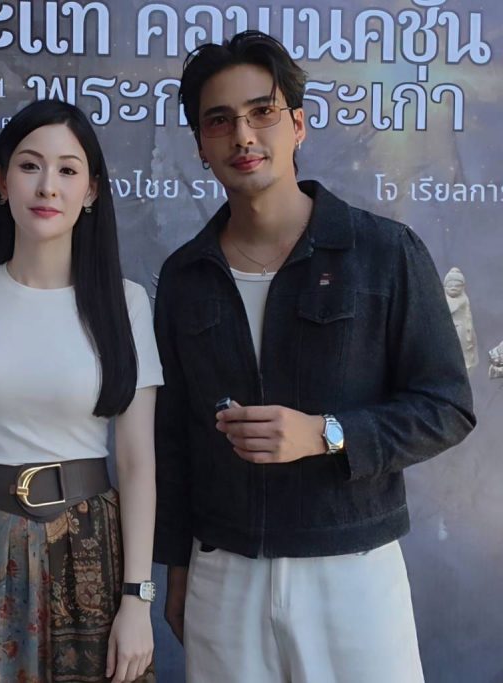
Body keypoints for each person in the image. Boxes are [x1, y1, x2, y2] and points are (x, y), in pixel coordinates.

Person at [153, 30, 475, 682]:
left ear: (297, 125)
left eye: (262, 112)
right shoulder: (185, 277)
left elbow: (446, 407)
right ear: (201, 147)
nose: (244, 135)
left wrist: (326, 433)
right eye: (220, 121)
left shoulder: (383, 252)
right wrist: (178, 571)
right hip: (225, 574)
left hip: (352, 571)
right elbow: (175, 440)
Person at [0, 99, 163, 683]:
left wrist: (137, 598)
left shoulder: (126, 304)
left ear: (91, 191)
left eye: (68, 170)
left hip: (91, 548)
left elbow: (137, 462)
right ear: (2, 182)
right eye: (29, 166)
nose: (48, 186)